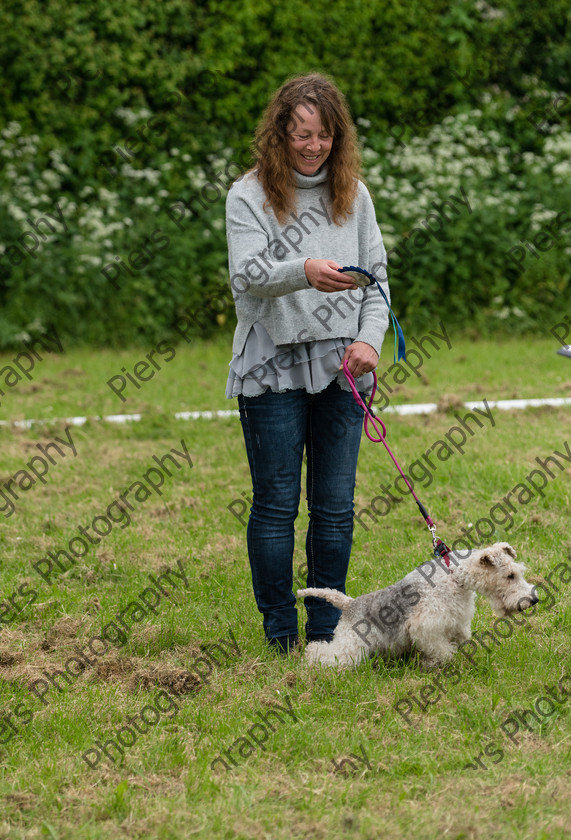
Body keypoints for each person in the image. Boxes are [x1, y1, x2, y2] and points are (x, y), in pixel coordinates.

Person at [225, 72, 391, 653]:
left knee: (336, 509)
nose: (313, 145)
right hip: (270, 371)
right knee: (275, 507)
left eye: (322, 135)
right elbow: (245, 275)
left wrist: (370, 342)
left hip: (345, 368)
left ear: (336, 137)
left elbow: (378, 283)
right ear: (280, 134)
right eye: (300, 134)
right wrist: (304, 270)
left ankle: (325, 632)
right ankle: (279, 635)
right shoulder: (248, 196)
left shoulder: (356, 195)